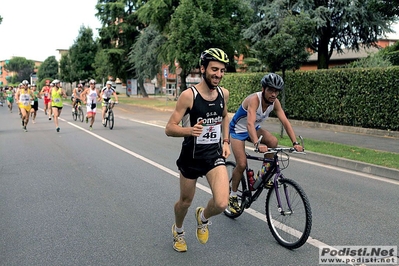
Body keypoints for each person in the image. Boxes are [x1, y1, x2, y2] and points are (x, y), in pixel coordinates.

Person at [165, 48, 231, 252]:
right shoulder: (189, 96)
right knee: (185, 201)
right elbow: (169, 128)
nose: (218, 75)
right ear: (203, 69)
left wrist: (226, 141)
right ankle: (178, 229)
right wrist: (189, 130)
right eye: (214, 69)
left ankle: (202, 217)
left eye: (221, 70)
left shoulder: (223, 94)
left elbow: (224, 116)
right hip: (191, 157)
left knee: (221, 203)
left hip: (213, 156)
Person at [228, 73, 303, 214]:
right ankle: (232, 196)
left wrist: (295, 142)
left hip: (254, 129)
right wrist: (256, 143)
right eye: (270, 90)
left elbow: (285, 121)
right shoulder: (254, 100)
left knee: (273, 141)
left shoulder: (275, 102)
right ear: (263, 89)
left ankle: (263, 174)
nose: (273, 94)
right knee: (242, 164)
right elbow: (249, 123)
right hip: (238, 131)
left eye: (276, 91)